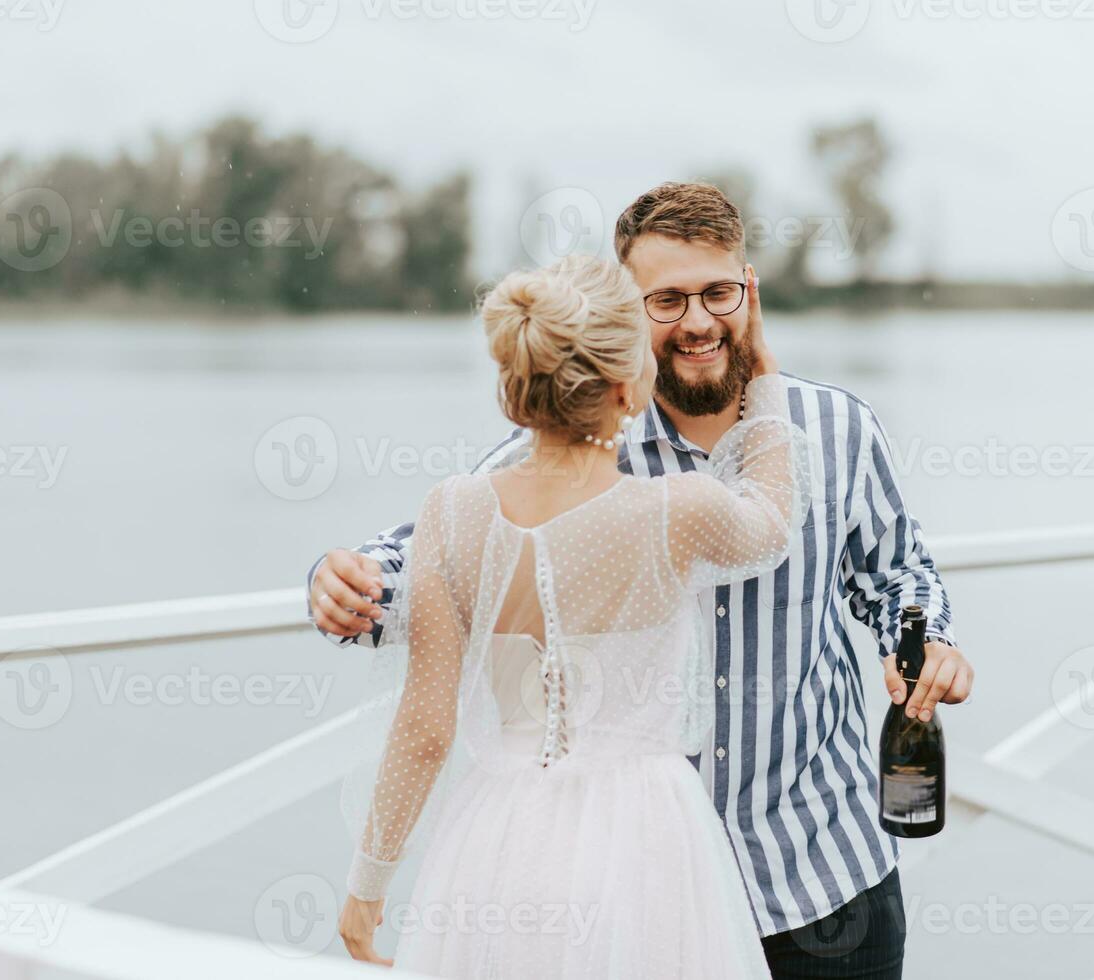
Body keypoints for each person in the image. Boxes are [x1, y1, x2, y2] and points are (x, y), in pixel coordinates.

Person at [315, 182, 974, 978]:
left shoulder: (838, 430)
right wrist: (337, 579)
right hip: (635, 901)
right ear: (629, 315)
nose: (698, 320)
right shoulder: (579, 444)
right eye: (667, 300)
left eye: (718, 292)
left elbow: (899, 572)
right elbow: (415, 559)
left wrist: (927, 637)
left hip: (821, 875)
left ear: (748, 291)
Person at [336, 252, 805, 976]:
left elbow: (426, 729)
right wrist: (764, 375)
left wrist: (367, 887)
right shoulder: (676, 510)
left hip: (496, 838)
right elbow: (773, 520)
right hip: (643, 835)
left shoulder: (453, 511)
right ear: (626, 389)